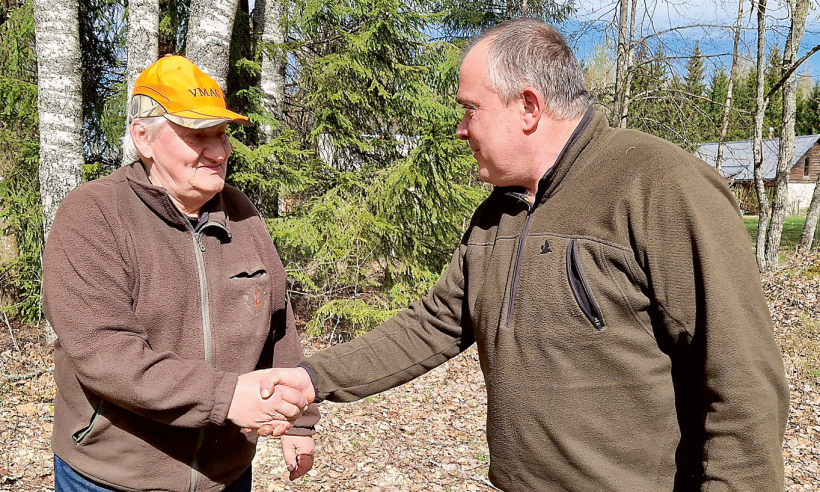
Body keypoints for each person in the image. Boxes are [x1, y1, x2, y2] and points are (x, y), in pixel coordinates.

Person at [259, 18, 789, 491]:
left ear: (529, 107)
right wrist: (315, 379)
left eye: (470, 109)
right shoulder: (500, 213)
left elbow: (742, 380)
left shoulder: (659, 184)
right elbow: (436, 322)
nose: (461, 128)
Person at [43, 55, 319, 492]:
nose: (220, 151)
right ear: (143, 139)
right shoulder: (93, 214)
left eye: (223, 134)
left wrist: (299, 422)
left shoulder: (243, 214)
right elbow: (105, 352)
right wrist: (226, 397)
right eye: (197, 135)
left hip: (224, 473)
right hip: (116, 475)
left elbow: (277, 326)